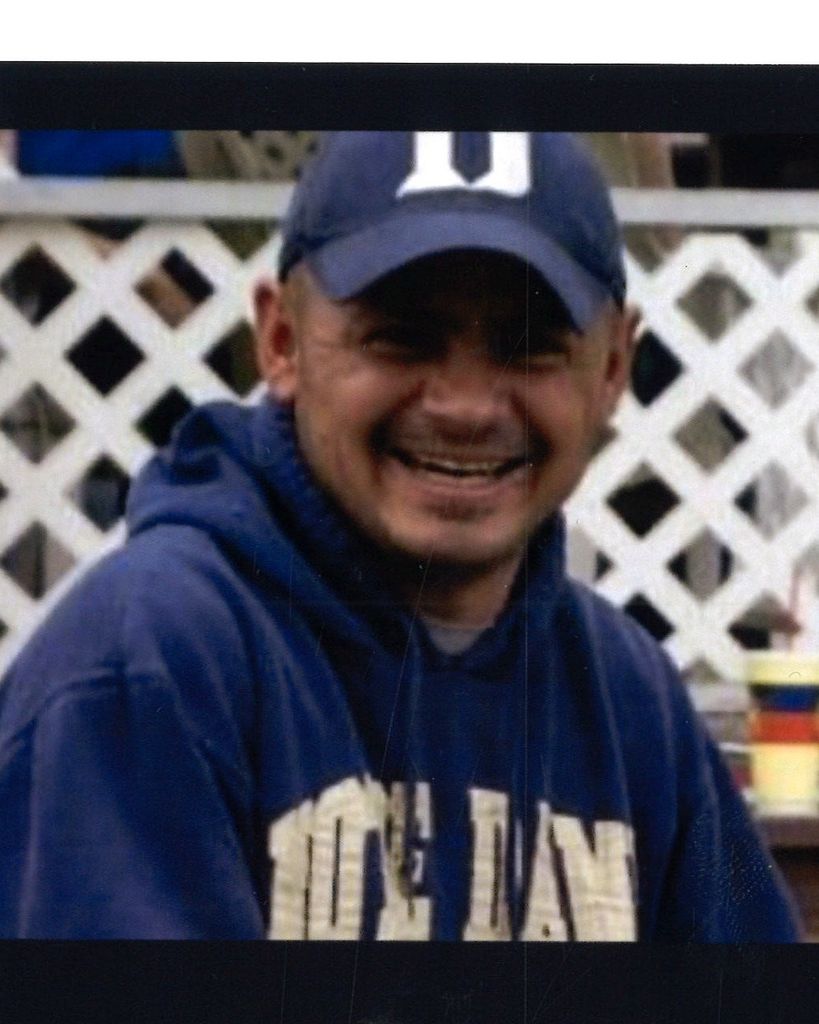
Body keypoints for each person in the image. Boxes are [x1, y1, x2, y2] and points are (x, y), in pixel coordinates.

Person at [0, 132, 800, 941]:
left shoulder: (633, 702)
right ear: (281, 342)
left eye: (528, 346)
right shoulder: (146, 662)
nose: (466, 406)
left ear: (612, 370)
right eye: (401, 339)